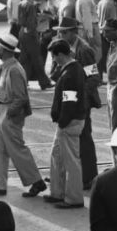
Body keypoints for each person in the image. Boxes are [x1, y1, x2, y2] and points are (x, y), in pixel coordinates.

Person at [0, 34, 46, 198]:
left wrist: (8, 115)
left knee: (17, 149)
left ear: (5, 51)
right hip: (0, 110)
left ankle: (36, 181)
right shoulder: (6, 66)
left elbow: (21, 98)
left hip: (8, 113)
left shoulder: (14, 69)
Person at [54, 18, 101, 191]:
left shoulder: (84, 50)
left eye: (65, 32)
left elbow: (94, 77)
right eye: (60, 31)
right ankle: (67, 174)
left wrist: (82, 96)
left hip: (82, 103)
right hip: (70, 100)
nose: (61, 35)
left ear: (74, 32)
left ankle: (89, 176)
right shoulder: (65, 48)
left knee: (84, 138)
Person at [43, 39, 87, 209]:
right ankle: (58, 193)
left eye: (54, 57)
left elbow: (69, 102)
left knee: (70, 162)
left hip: (69, 122)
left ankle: (74, 198)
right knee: (57, 156)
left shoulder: (70, 74)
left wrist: (62, 122)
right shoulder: (72, 69)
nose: (53, 60)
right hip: (69, 121)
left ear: (60, 55)